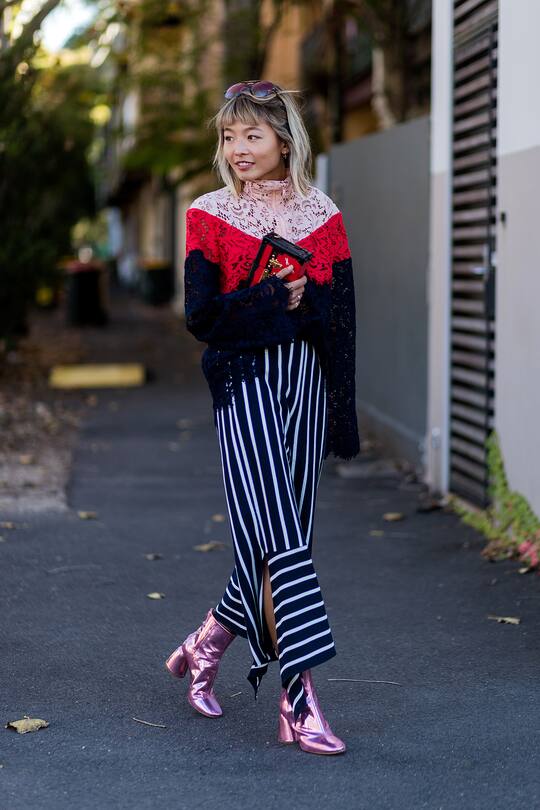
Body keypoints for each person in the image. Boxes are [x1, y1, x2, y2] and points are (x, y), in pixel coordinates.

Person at [165, 80, 360, 756]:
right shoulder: (207, 213)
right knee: (284, 540)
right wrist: (274, 298)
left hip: (302, 384)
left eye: (252, 135)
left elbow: (337, 326)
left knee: (280, 534)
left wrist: (341, 417)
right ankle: (299, 701)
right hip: (240, 379)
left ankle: (208, 639)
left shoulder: (323, 215)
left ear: (284, 139)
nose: (238, 148)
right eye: (228, 136)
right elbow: (202, 320)